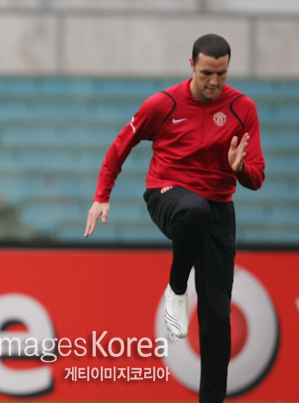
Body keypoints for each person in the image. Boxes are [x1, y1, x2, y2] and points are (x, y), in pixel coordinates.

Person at [84, 34, 264, 402]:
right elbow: (121, 145)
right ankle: (177, 289)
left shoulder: (242, 108)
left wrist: (240, 168)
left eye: (222, 74)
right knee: (193, 209)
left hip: (219, 209)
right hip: (167, 196)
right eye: (206, 73)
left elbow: (257, 177)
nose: (214, 82)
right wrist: (102, 195)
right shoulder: (162, 104)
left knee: (217, 316)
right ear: (191, 66)